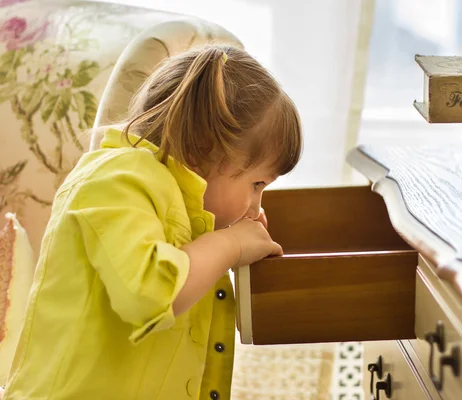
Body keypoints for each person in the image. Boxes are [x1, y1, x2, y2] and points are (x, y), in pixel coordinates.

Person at [3, 45, 302, 400]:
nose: (255, 206)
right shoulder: (114, 180)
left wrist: (221, 238)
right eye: (256, 185)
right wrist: (229, 245)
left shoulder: (183, 206)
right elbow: (150, 294)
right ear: (201, 150)